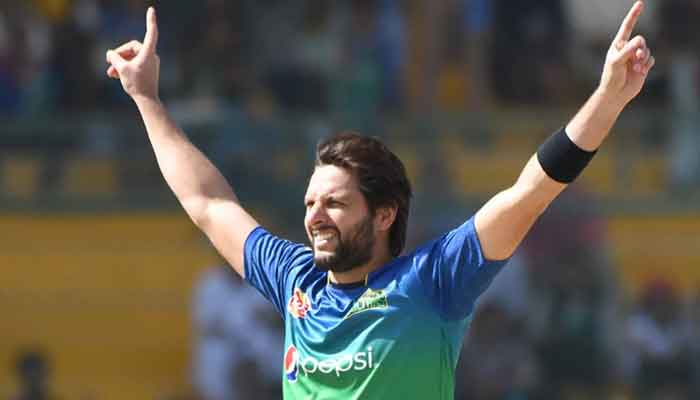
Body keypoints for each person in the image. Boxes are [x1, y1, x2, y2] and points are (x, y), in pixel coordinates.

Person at [105, 3, 655, 398]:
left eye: (334, 204)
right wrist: (147, 97)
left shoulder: (435, 279)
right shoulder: (297, 279)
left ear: (384, 213)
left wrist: (607, 98)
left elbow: (532, 191)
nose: (314, 216)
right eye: (309, 202)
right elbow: (206, 202)